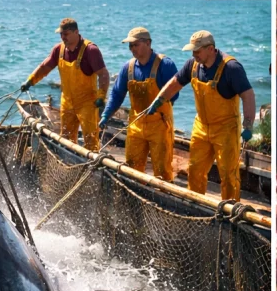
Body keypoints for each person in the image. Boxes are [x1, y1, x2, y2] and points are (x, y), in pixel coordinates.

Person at [148, 31, 254, 200]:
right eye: (192, 51)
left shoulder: (232, 68)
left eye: (197, 51)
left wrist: (248, 125)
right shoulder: (193, 64)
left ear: (210, 49)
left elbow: (248, 96)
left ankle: (230, 212)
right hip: (201, 126)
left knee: (228, 175)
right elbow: (175, 83)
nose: (193, 54)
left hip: (226, 128)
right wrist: (158, 101)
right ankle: (195, 205)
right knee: (195, 170)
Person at [98, 27, 179, 181]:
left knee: (162, 170)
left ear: (148, 43)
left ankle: (163, 198)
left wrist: (159, 105)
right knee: (132, 167)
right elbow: (117, 94)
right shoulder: (127, 68)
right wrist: (106, 114)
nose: (132, 49)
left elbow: (175, 94)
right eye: (130, 46)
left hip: (160, 126)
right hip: (136, 124)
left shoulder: (165, 65)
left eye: (135, 45)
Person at [22, 18, 109, 152]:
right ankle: (70, 163)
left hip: (87, 103)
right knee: (66, 138)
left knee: (91, 139)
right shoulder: (59, 49)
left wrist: (101, 96)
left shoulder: (90, 50)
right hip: (67, 102)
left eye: (66, 34)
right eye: (61, 34)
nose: (63, 37)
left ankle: (92, 167)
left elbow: (103, 74)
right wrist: (31, 80)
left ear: (76, 32)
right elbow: (45, 67)